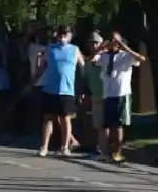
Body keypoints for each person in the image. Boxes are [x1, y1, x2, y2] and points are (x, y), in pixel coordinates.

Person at [92, 31, 145, 163]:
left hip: (121, 93)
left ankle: (118, 152)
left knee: (118, 125)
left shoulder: (126, 56)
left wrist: (124, 46)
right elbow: (91, 60)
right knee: (108, 125)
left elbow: (141, 59)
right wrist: (101, 47)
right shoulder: (104, 56)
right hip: (108, 94)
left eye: (115, 41)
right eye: (111, 40)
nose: (113, 43)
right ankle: (108, 152)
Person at [37, 24, 84, 157]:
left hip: (67, 90)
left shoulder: (75, 49)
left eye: (66, 33)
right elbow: (41, 67)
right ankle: (44, 147)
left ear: (70, 35)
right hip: (50, 89)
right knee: (48, 119)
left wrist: (82, 88)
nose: (63, 36)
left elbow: (83, 66)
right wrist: (33, 80)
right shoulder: (50, 49)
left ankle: (65, 147)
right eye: (61, 33)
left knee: (65, 119)